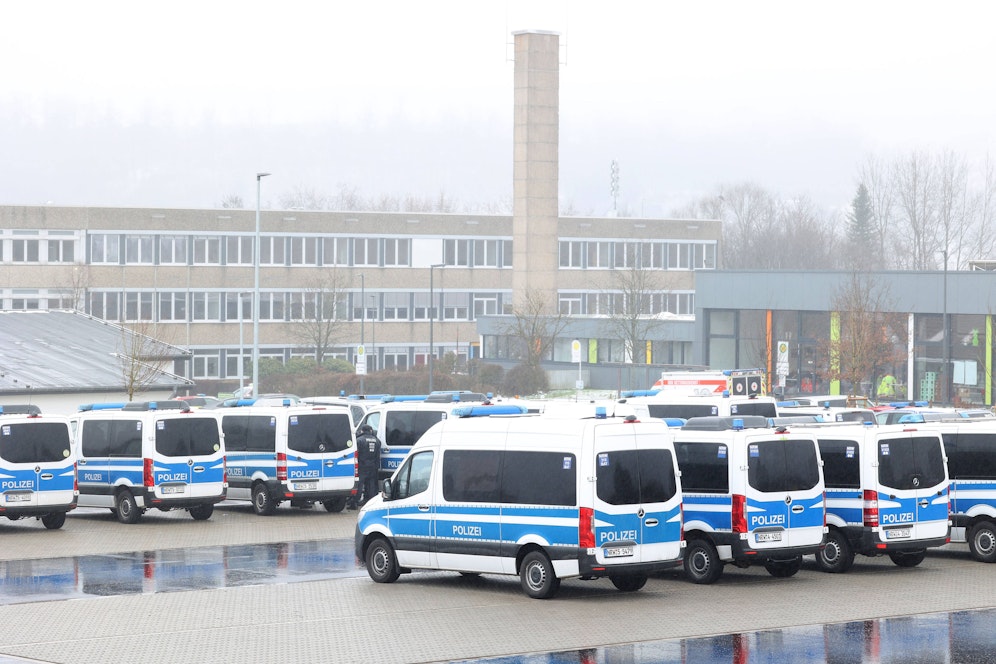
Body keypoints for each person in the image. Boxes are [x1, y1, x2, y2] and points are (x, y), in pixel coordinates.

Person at [352, 424, 382, 509]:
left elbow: (356, 454)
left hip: (362, 466)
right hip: (373, 466)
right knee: (371, 485)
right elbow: (377, 455)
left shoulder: (359, 440)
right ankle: (370, 502)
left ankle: (354, 503)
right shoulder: (377, 441)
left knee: (359, 485)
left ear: (362, 430)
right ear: (371, 431)